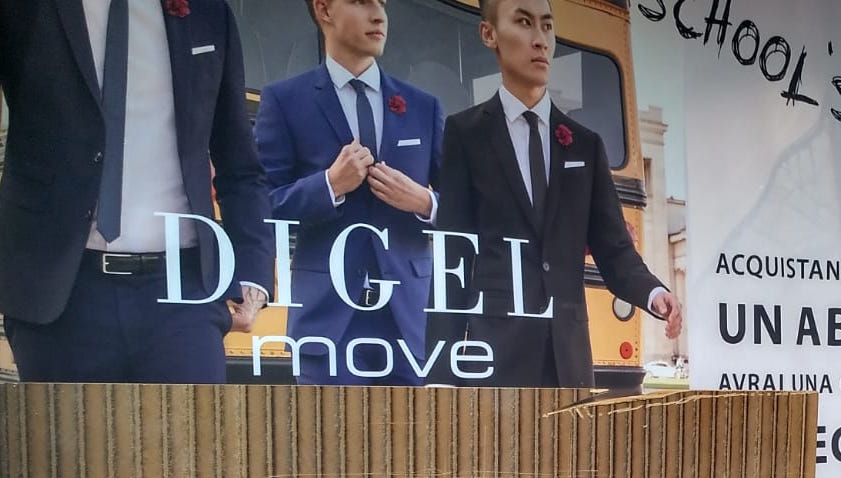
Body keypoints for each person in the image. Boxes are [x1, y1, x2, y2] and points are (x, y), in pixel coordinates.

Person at [0, 0, 274, 383]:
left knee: (194, 425)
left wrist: (253, 273)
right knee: (64, 426)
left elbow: (239, 163)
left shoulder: (208, 13)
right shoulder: (27, 10)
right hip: (60, 293)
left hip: (184, 293)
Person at [426, 0, 682, 388]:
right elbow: (454, 255)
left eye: (547, 26)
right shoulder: (465, 134)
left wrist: (653, 292)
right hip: (493, 361)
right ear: (489, 34)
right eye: (523, 22)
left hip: (568, 362)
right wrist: (441, 375)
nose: (540, 40)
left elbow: (614, 249)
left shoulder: (585, 144)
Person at [254, 0, 445, 386]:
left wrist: (425, 202)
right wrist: (328, 185)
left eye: (383, 3)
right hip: (325, 321)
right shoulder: (284, 100)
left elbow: (467, 207)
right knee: (328, 427)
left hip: (410, 319)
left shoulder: (424, 107)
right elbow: (260, 204)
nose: (379, 14)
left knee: (415, 428)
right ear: (324, 10)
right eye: (362, 1)